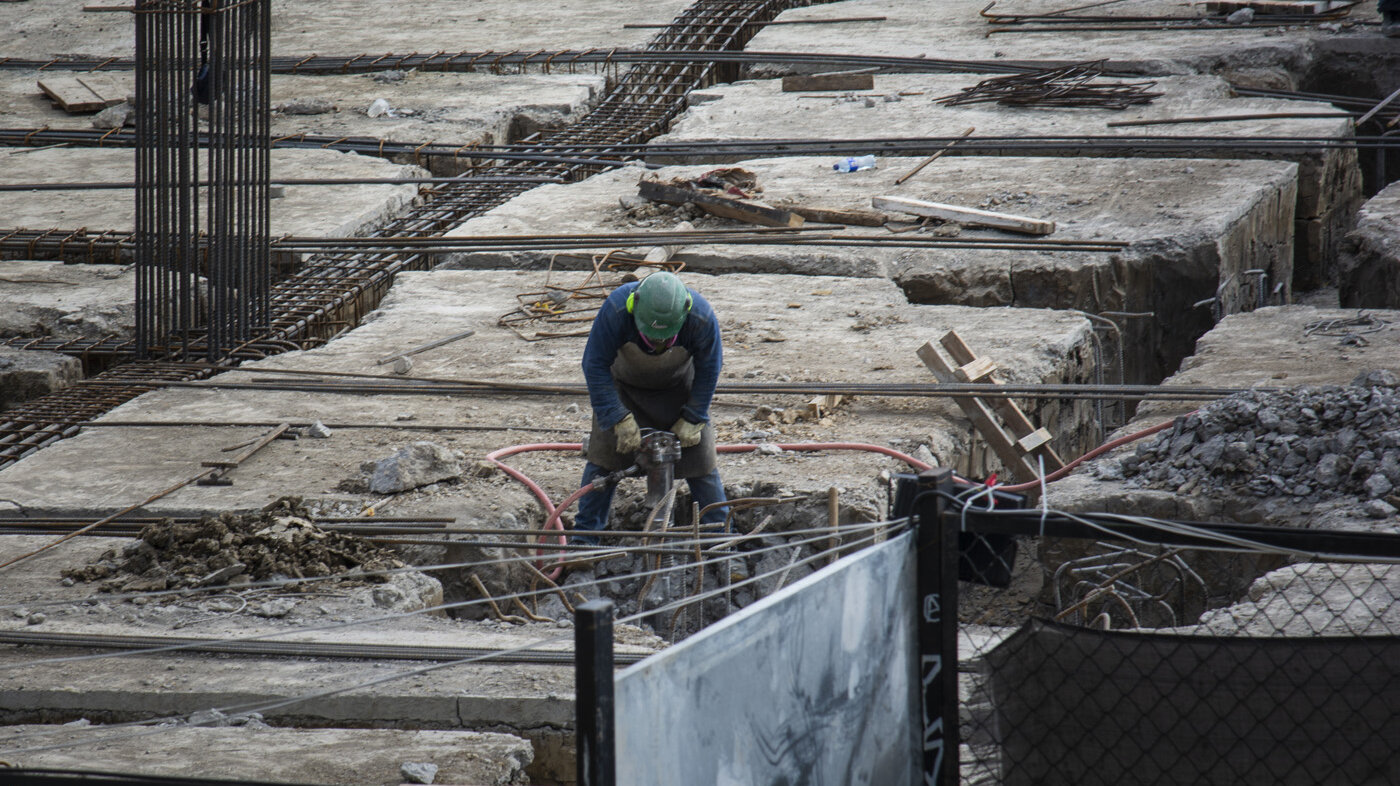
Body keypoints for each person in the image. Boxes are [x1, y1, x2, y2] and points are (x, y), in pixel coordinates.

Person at [573, 271, 729, 544]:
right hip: (624, 391)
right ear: (635, 311)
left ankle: (720, 540)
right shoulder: (616, 310)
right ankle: (584, 542)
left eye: (665, 339)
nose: (658, 346)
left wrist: (694, 416)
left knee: (701, 464)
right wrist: (616, 416)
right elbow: (594, 365)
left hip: (679, 390)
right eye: (652, 338)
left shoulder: (701, 317)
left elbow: (709, 369)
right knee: (603, 461)